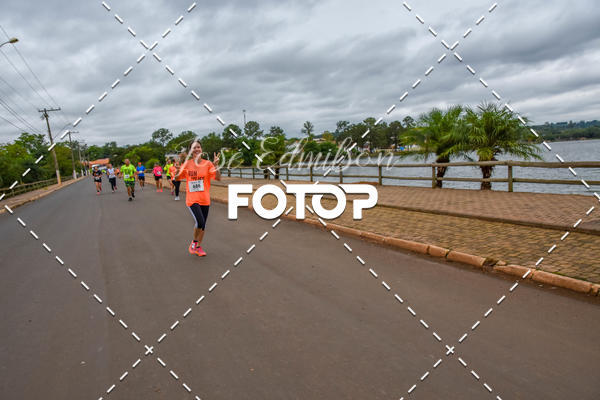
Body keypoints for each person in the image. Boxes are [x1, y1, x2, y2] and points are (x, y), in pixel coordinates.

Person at [175, 141, 221, 257]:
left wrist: (216, 165)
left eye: (198, 147)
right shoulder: (187, 164)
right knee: (200, 222)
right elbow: (177, 178)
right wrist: (177, 170)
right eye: (194, 147)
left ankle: (198, 247)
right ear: (191, 151)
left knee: (203, 225)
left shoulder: (208, 164)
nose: (197, 149)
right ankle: (194, 242)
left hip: (205, 199)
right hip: (192, 199)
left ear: (201, 149)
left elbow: (218, 178)